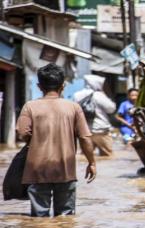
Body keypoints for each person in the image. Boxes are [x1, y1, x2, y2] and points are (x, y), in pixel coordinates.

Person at [16, 63, 96, 217]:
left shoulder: (30, 107)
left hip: (37, 169)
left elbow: (22, 133)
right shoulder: (73, 107)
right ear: (63, 85)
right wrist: (91, 162)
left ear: (39, 86)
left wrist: (35, 141)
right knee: (65, 219)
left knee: (39, 219)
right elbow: (85, 137)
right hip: (65, 169)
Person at [74, 75, 116, 156]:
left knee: (85, 156)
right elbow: (111, 109)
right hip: (100, 129)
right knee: (107, 155)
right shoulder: (99, 95)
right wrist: (108, 95)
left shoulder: (77, 95)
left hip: (84, 130)